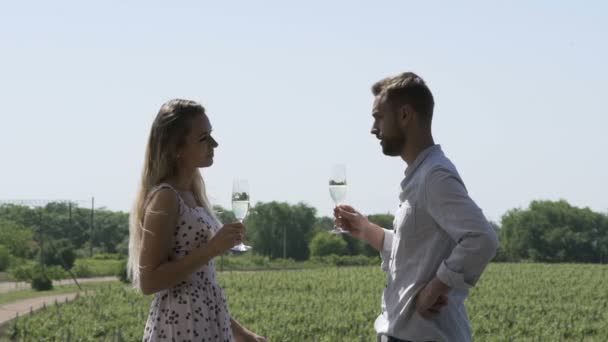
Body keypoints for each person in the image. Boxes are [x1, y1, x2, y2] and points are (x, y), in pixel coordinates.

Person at [334, 72, 498, 342]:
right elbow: (416, 254)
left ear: (405, 115)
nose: (374, 128)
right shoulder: (422, 175)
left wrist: (436, 287)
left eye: (379, 117)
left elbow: (482, 238)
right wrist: (367, 230)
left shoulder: (434, 176)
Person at [127, 99, 266, 342]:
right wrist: (213, 248)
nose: (214, 144)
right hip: (179, 325)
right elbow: (149, 282)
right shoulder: (166, 198)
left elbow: (200, 285)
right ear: (176, 148)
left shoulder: (191, 194)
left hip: (206, 323)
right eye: (203, 138)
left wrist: (243, 335)